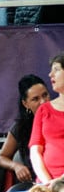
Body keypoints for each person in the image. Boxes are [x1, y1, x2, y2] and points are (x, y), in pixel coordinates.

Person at [0, 73, 49, 185]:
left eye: (45, 95)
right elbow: (2, 158)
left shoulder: (59, 118)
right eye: (35, 99)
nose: (43, 102)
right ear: (25, 104)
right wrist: (16, 166)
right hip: (34, 186)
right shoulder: (20, 127)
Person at [30, 54, 64, 182]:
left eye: (56, 69)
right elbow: (35, 151)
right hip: (47, 184)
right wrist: (48, 183)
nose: (50, 75)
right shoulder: (43, 110)